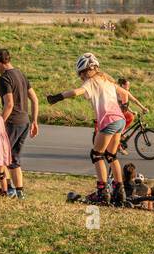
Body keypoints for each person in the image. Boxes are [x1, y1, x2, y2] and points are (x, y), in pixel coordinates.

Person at [46, 53, 130, 205]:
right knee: (111, 156)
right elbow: (124, 93)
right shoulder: (107, 79)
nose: (81, 78)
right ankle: (120, 192)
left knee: (97, 155)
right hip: (120, 120)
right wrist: (123, 107)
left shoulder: (91, 81)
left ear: (85, 71)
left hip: (109, 121)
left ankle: (102, 193)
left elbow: (76, 92)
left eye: (80, 75)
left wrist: (56, 97)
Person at [0, 48, 37, 200]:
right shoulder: (21, 74)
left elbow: (9, 104)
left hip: (12, 122)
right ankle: (20, 193)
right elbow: (35, 99)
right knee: (14, 159)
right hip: (25, 122)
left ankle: (8, 189)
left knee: (1, 157)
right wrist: (35, 120)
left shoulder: (4, 78)